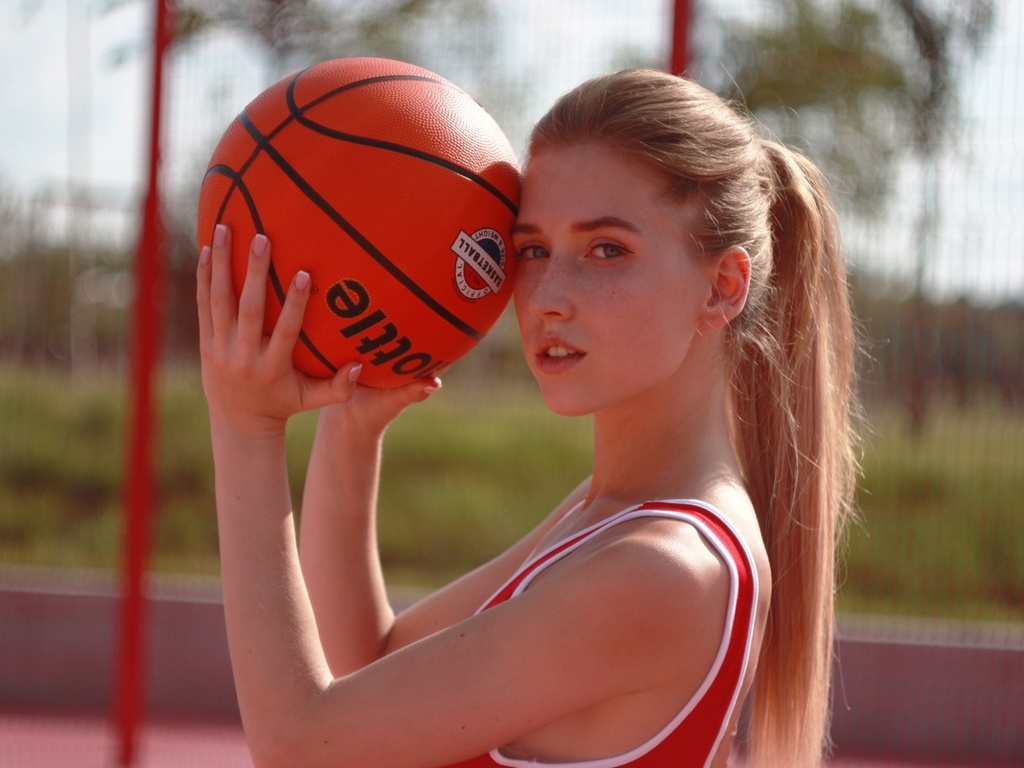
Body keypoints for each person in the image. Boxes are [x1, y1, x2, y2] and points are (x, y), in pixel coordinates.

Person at [197, 68, 859, 768]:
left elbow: (301, 746)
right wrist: (351, 431)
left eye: (607, 250)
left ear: (723, 287)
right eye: (532, 250)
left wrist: (245, 431)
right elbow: (367, 664)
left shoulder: (661, 570)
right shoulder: (615, 514)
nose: (546, 295)